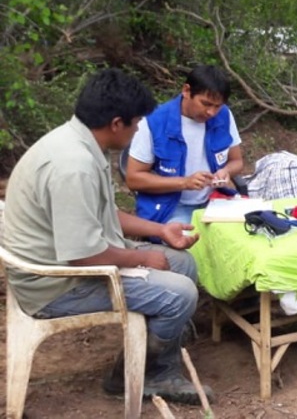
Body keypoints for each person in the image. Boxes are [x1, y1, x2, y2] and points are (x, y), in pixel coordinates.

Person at [1, 68, 212, 404]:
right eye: (137, 121)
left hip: (67, 256)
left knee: (183, 263)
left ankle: (156, 350)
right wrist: (142, 257)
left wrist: (160, 231)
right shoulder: (74, 165)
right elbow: (83, 254)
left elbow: (102, 215)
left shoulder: (82, 142)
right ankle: (146, 377)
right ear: (117, 123)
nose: (140, 127)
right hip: (54, 285)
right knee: (181, 293)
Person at [126, 65, 244, 224]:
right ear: (186, 91)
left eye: (217, 106)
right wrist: (184, 182)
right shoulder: (154, 122)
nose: (211, 112)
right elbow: (134, 179)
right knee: (192, 243)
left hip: (214, 202)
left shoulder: (224, 115)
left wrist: (226, 171)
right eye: (206, 104)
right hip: (171, 207)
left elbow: (237, 161)